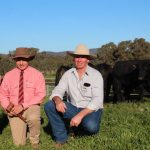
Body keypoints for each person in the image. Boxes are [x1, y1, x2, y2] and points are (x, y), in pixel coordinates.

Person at [44, 44, 104, 148]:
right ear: (73, 59)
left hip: (90, 109)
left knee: (91, 127)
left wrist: (80, 116)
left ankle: (80, 129)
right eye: (77, 57)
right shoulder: (68, 74)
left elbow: (97, 101)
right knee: (49, 105)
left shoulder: (96, 75)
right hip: (73, 108)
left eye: (82, 57)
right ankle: (61, 138)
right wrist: (58, 101)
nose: (79, 59)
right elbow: (57, 91)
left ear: (88, 60)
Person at [0, 48, 46, 150]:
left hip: (30, 106)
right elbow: (2, 94)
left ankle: (35, 141)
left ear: (28, 60)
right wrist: (8, 107)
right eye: (18, 60)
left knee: (33, 118)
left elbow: (41, 95)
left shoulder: (37, 74)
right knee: (19, 144)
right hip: (14, 109)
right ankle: (26, 131)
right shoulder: (8, 75)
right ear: (15, 61)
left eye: (24, 60)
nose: (21, 63)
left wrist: (22, 105)